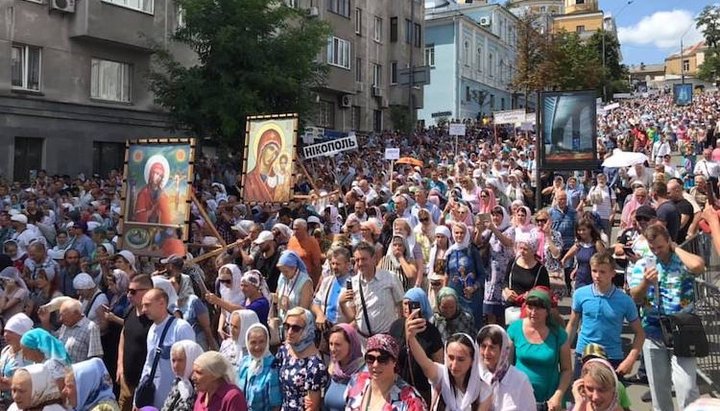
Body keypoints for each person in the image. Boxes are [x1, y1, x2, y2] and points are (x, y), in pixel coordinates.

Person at [628, 224, 705, 411]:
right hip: (654, 331)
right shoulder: (643, 264)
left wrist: (676, 248)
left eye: (660, 247)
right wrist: (645, 283)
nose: (656, 252)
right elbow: (635, 296)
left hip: (682, 331)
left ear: (668, 241)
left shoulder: (681, 260)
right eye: (652, 248)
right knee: (659, 390)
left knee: (686, 387)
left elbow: (698, 266)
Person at [565, 251, 645, 379]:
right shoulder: (580, 294)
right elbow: (573, 324)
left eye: (602, 272)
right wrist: (563, 351)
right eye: (594, 271)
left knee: (611, 397)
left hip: (612, 357)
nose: (597, 276)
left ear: (613, 273)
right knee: (582, 396)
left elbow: (640, 333)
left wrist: (630, 359)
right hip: (584, 354)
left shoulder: (625, 300)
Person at [405, 313, 492, 411]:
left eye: (461, 359)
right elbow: (424, 362)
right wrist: (411, 338)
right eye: (450, 358)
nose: (454, 365)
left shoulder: (483, 390)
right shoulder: (441, 376)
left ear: (473, 361)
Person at [507, 287, 572, 410]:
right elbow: (507, 365)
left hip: (549, 399)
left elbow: (567, 370)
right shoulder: (514, 329)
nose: (533, 312)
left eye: (538, 308)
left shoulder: (559, 334)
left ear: (547, 311)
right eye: (530, 307)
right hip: (519, 396)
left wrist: (558, 395)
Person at [137, 288, 195, 410]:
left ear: (162, 303)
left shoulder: (181, 328)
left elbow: (191, 365)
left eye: (147, 305)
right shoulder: (152, 330)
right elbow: (148, 363)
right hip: (153, 399)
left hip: (175, 400)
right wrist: (137, 399)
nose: (143, 310)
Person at [344, 334, 427, 411]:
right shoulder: (356, 381)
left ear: (394, 361)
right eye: (370, 358)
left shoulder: (411, 400)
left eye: (383, 359)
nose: (375, 365)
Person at [389, 288, 444, 404]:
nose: (407, 307)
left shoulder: (431, 331)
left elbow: (439, 362)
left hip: (423, 389)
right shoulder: (396, 326)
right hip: (399, 387)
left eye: (412, 304)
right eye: (405, 303)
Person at [339, 242, 404, 337]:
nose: (360, 263)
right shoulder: (353, 283)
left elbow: (401, 306)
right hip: (363, 339)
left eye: (364, 259)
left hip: (387, 338)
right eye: (357, 260)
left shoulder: (390, 277)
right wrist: (342, 303)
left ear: (374, 259)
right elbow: (352, 317)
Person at [275, 307, 327, 411]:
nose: (289, 332)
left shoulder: (314, 365)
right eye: (287, 326)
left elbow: (312, 407)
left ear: (308, 329)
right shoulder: (284, 351)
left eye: (296, 328)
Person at [476, 325, 536, 411]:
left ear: (503, 350)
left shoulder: (520, 380)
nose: (486, 352)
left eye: (492, 347)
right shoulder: (474, 377)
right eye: (483, 346)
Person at [116, 275, 153, 411]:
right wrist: (120, 365)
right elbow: (123, 335)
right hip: (126, 379)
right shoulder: (130, 310)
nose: (128, 295)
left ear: (148, 291)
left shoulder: (155, 318)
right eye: (128, 290)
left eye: (133, 291)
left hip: (145, 383)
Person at [478, 205, 514, 324]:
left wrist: (494, 229)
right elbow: (478, 242)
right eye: (493, 215)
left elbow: (507, 242)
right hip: (491, 272)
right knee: (490, 307)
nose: (495, 217)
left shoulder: (510, 229)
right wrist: (479, 230)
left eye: (498, 215)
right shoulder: (489, 231)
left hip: (504, 272)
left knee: (504, 306)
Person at [39, 298, 103, 363]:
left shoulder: (91, 328)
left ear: (76, 314)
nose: (60, 319)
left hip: (77, 371)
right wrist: (45, 321)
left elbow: (96, 358)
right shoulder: (65, 325)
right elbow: (52, 340)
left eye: (64, 316)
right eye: (60, 315)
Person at [445, 222, 484, 329]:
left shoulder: (472, 251)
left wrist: (474, 287)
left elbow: (482, 275)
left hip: (471, 297)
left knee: (473, 326)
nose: (459, 235)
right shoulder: (450, 252)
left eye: (462, 233)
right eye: (456, 233)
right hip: (455, 296)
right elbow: (447, 274)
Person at [236, 324, 282, 411]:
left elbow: (276, 405)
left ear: (267, 341)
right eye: (253, 342)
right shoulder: (244, 362)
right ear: (247, 342)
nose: (257, 347)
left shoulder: (273, 365)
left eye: (261, 342)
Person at [323, 324, 364, 411]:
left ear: (351, 344)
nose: (333, 349)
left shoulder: (364, 374)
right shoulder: (333, 371)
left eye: (338, 344)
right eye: (331, 344)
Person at [560, 220, 605, 290]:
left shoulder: (597, 244)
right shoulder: (579, 244)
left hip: (593, 279)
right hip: (580, 278)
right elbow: (569, 255)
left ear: (590, 230)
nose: (581, 232)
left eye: (584, 230)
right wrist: (564, 260)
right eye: (579, 230)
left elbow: (605, 261)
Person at [160, 341, 204, 411]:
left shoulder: (201, 386)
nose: (175, 366)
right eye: (173, 360)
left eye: (180, 360)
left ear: (192, 358)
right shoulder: (179, 381)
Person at [0, 314, 33, 407]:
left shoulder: (30, 354)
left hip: (20, 402)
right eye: (5, 331)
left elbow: (31, 381)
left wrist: (8, 383)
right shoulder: (6, 350)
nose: (5, 334)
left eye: (11, 332)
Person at [243, 128, 283, 203]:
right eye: (271, 149)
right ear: (262, 148)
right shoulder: (249, 179)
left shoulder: (277, 180)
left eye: (276, 153)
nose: (273, 155)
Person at [287, 219, 323, 287]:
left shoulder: (312, 242)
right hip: (292, 280)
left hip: (306, 280)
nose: (294, 232)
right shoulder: (292, 240)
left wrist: (315, 286)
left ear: (305, 229)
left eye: (297, 229)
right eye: (293, 229)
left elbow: (317, 265)